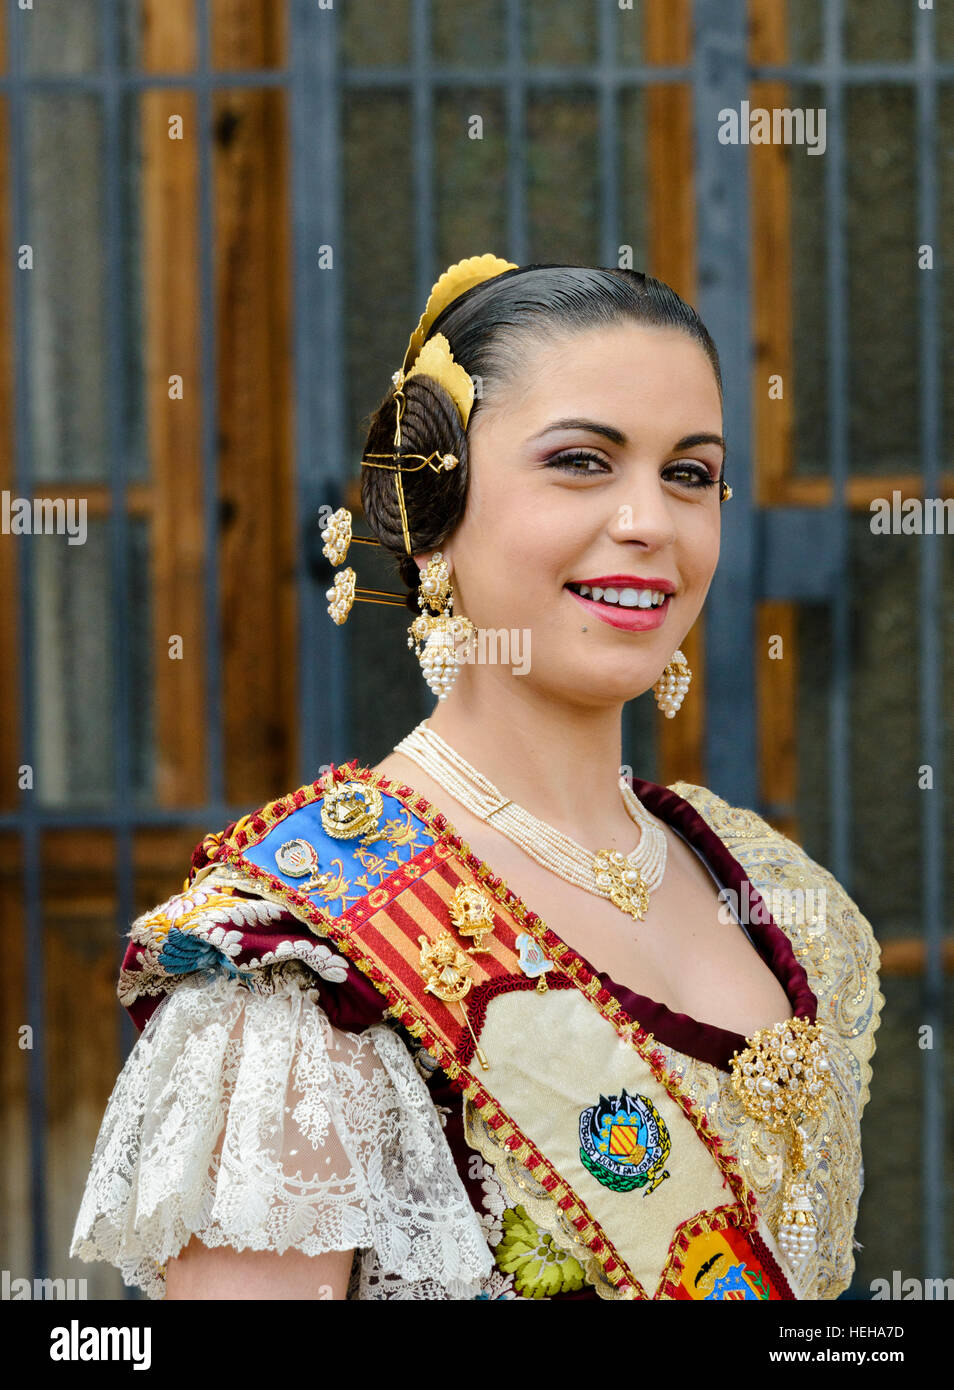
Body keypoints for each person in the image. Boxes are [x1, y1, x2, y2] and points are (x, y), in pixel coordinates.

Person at [70, 256, 883, 1301]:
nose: (649, 522)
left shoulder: (775, 895)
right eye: (584, 461)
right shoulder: (309, 971)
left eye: (689, 473)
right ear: (431, 503)